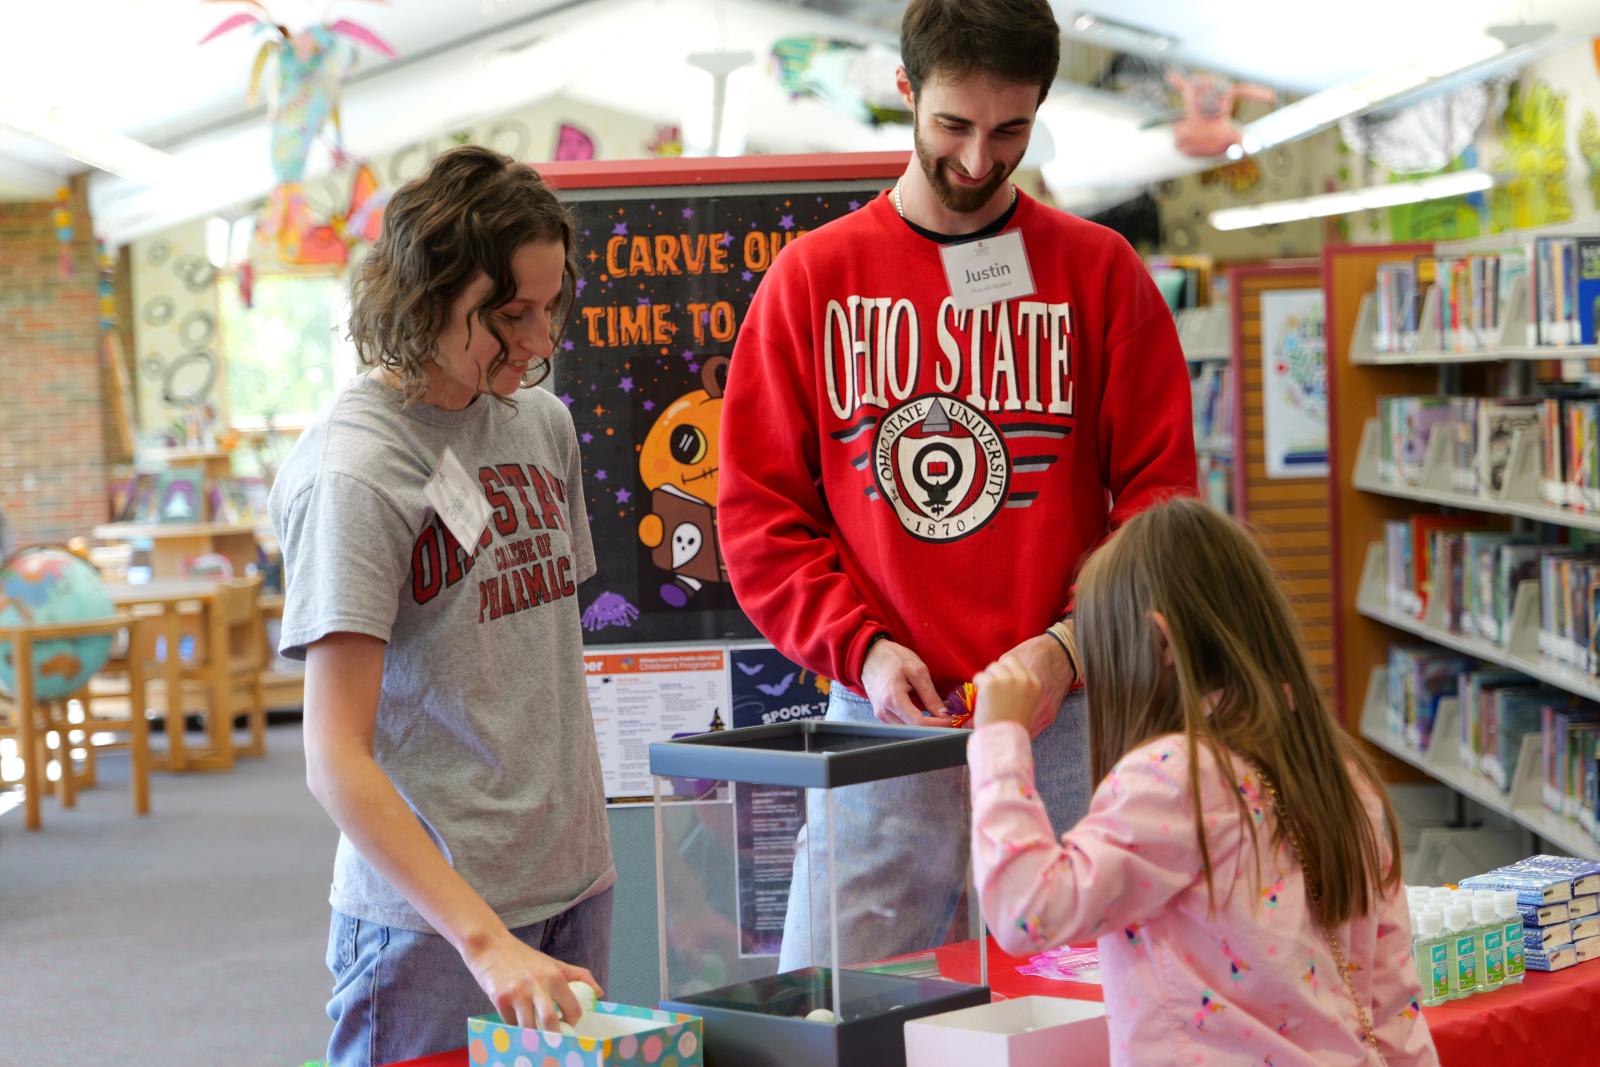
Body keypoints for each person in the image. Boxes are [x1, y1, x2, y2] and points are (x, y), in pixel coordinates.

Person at [717, 0, 1197, 969]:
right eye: (953, 126)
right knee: (833, 1014)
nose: (979, 161)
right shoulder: (811, 283)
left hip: (1062, 728)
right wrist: (861, 648)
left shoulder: (1100, 275)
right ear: (903, 91)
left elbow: (1160, 507)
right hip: (881, 733)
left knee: (1076, 1019)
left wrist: (1069, 647)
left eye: (1010, 130)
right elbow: (761, 516)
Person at [269, 145, 613, 1067]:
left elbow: (540, 656)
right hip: (432, 929)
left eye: (551, 308)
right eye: (509, 316)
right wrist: (481, 937)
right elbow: (332, 757)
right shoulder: (358, 470)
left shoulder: (542, 422)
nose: (540, 341)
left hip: (573, 886)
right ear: (424, 300)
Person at [970, 497, 1439, 1066]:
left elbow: (1025, 911)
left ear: (1160, 644)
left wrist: (999, 737)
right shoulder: (1341, 776)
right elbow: (1392, 1007)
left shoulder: (1173, 778)